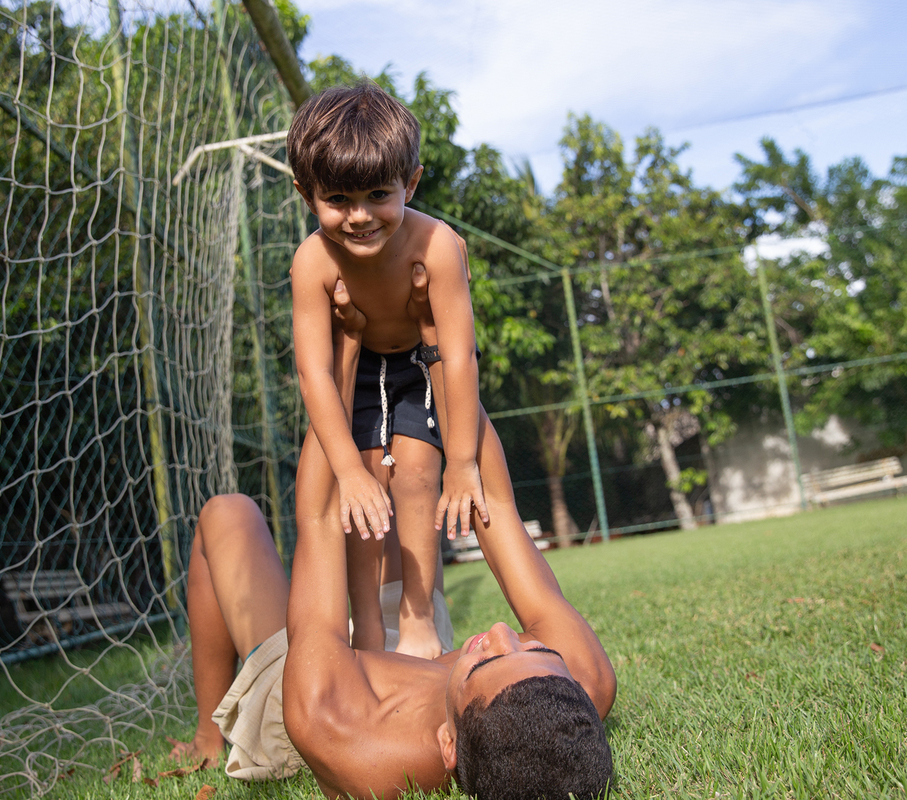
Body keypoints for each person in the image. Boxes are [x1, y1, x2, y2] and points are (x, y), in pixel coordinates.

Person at [170, 277, 617, 800]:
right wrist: (436, 344)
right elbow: (493, 502)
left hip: (324, 674)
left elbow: (317, 518)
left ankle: (209, 735)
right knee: (412, 463)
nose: (502, 628)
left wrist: (346, 349)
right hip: (407, 651)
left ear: (449, 745)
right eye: (532, 645)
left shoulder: (337, 725)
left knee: (228, 514)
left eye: (488, 658)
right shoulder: (573, 682)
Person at [288, 81, 486, 659]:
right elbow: (315, 373)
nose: (359, 216)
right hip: (357, 369)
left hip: (418, 365)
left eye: (378, 194)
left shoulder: (438, 245)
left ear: (411, 183)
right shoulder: (311, 262)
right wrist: (347, 468)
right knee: (366, 490)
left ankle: (420, 619)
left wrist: (465, 462)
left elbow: (458, 353)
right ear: (307, 194)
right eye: (338, 200)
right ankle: (368, 632)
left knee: (419, 475)